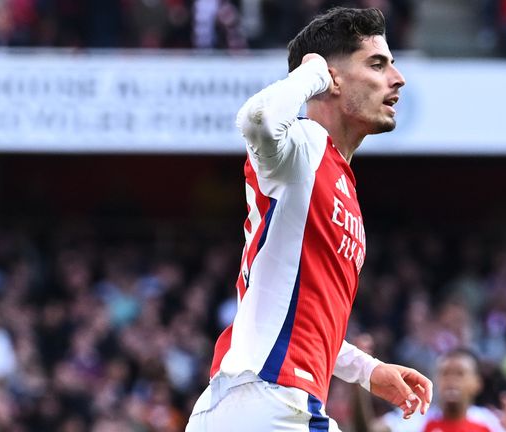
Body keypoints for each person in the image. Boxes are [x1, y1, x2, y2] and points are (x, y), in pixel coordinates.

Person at [185, 7, 432, 431]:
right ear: (332, 79)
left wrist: (367, 370)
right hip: (269, 400)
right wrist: (311, 73)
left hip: (255, 406)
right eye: (377, 63)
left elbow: (300, 316)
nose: (397, 77)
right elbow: (257, 119)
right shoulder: (303, 144)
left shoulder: (337, 179)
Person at [374, 348, 506, 432]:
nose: (451, 381)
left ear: (477, 383)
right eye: (445, 373)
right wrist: (358, 385)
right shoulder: (416, 420)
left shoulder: (490, 423)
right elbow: (366, 429)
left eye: (459, 374)